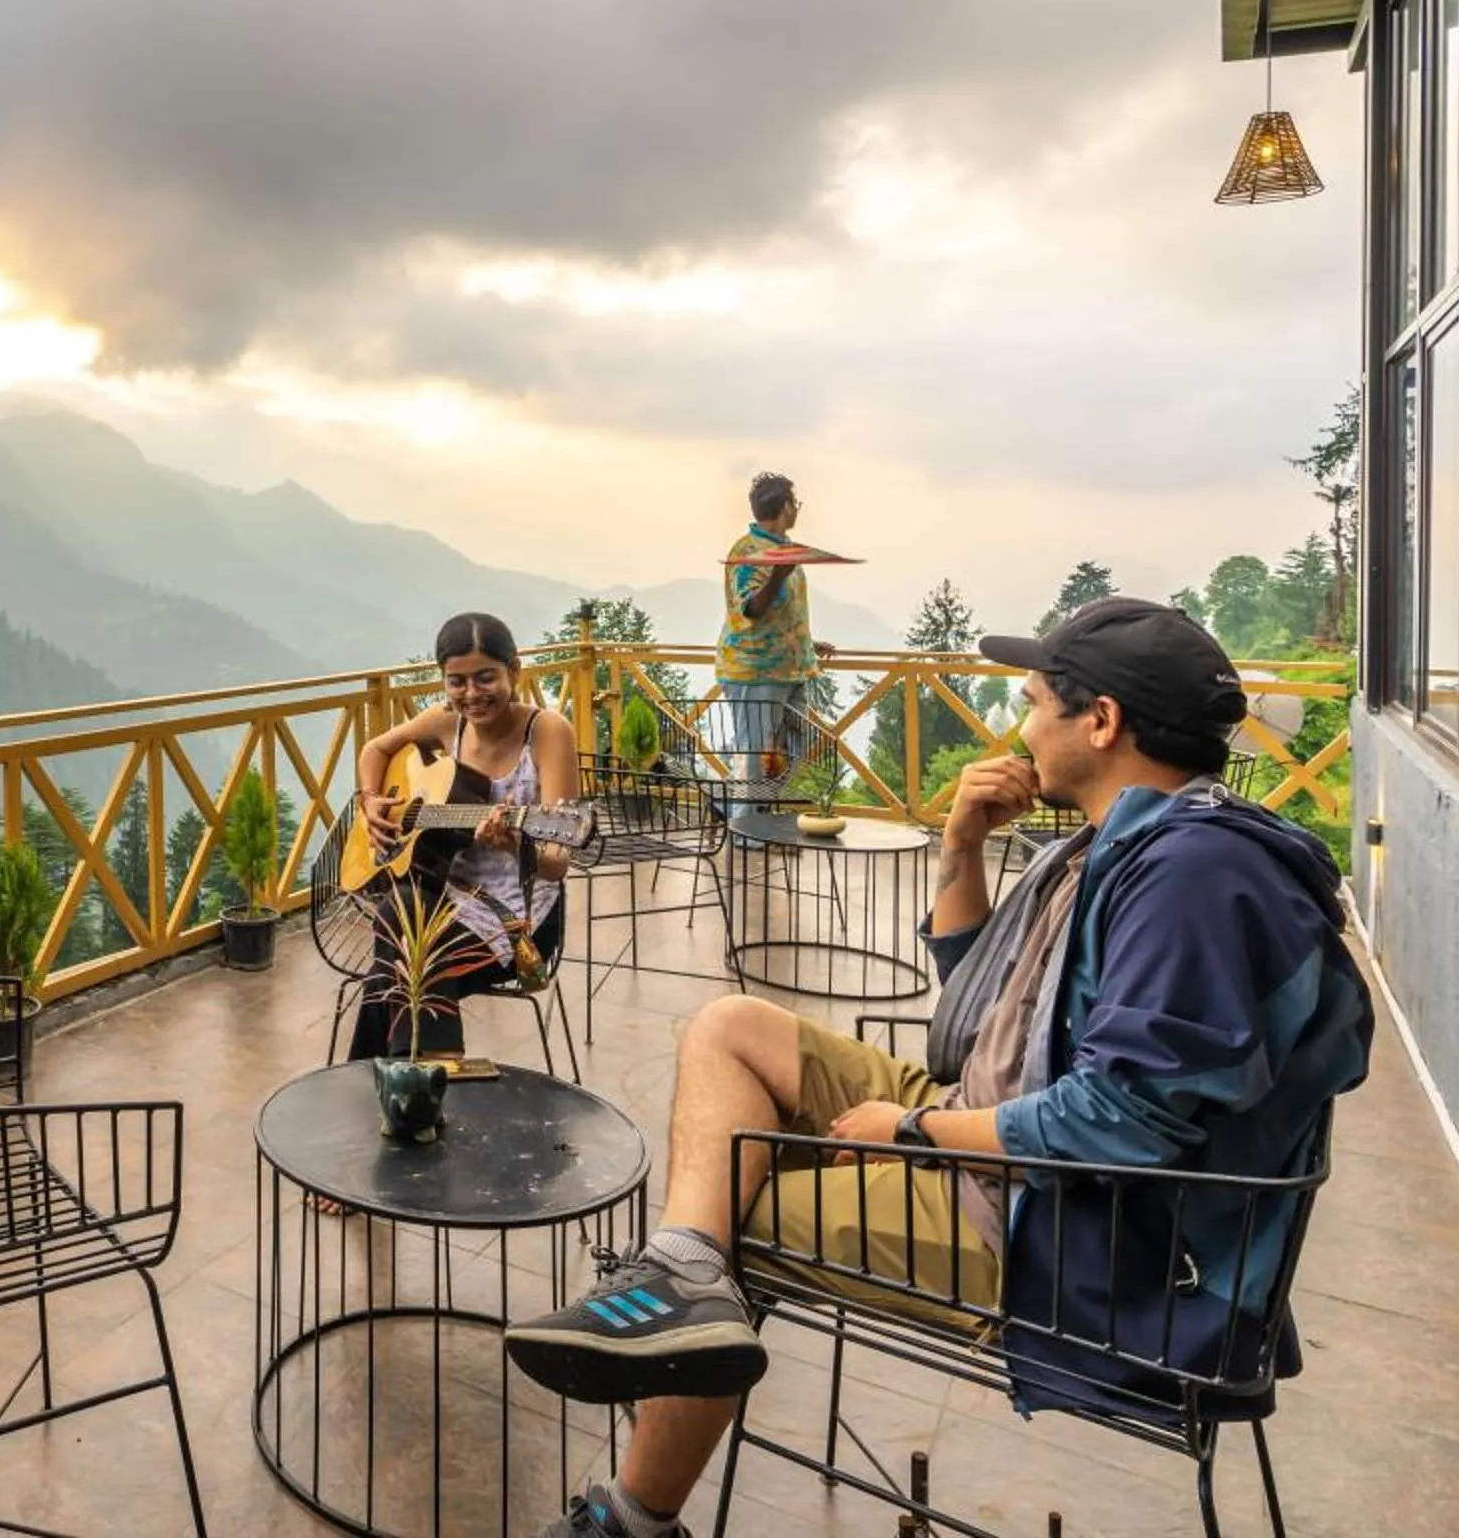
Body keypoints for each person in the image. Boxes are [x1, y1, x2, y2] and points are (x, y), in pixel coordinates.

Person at [505, 597, 1373, 1538]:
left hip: (1059, 1222)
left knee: (735, 1212)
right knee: (730, 1027)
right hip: (995, 1117)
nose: (1024, 725)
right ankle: (683, 1274)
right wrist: (960, 848)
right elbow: (980, 1013)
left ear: (1103, 721)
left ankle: (635, 1512)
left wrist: (913, 1134)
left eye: (1037, 702)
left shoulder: (1191, 877)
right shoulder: (1122, 842)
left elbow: (1124, 1118)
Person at [344, 611, 580, 1060]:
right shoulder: (444, 723)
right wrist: (370, 798)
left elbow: (557, 862)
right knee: (404, 929)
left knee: (399, 950)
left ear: (515, 671)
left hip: (518, 916)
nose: (471, 694)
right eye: (457, 681)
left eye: (485, 677)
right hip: (443, 895)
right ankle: (423, 1081)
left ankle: (408, 1081)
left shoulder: (546, 731)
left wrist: (516, 843)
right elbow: (375, 749)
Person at [718, 473, 835, 782]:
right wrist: (777, 577)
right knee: (756, 764)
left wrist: (805, 643)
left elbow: (783, 610)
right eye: (795, 503)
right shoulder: (748, 552)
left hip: (790, 669)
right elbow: (751, 609)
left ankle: (732, 809)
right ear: (786, 507)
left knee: (790, 756)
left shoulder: (784, 549)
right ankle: (740, 822)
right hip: (755, 672)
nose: (797, 509)